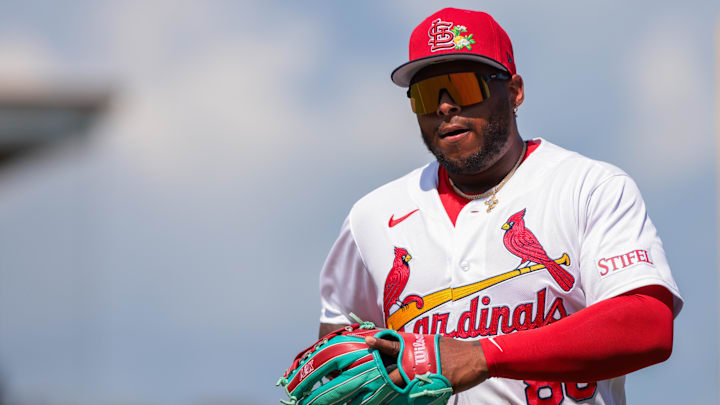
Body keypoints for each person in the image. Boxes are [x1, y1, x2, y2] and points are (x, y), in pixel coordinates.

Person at [317, 8, 682, 404]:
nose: (444, 107)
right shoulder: (371, 218)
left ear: (513, 91)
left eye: (462, 86)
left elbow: (647, 324)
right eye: (425, 93)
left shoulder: (587, 187)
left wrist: (483, 356)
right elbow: (336, 359)